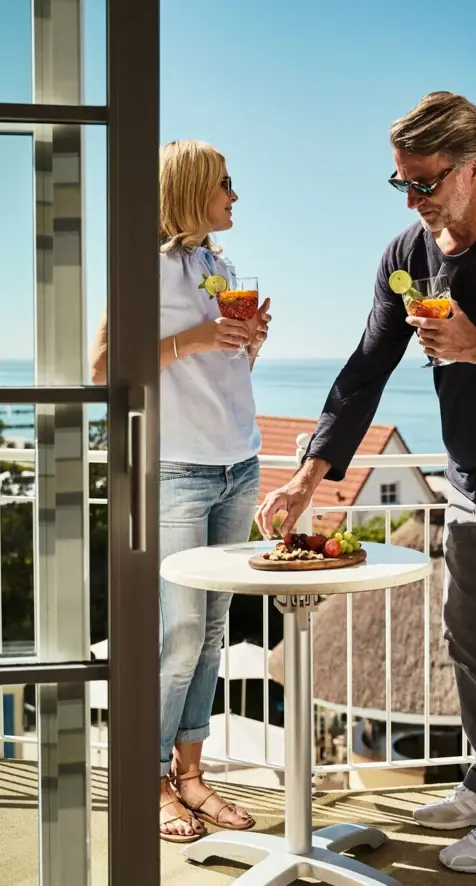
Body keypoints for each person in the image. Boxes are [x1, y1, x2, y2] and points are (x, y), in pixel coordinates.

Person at [256, 92, 476, 875]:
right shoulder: (406, 255)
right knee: (469, 638)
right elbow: (363, 372)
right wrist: (306, 479)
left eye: (426, 183)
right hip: (464, 479)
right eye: (402, 186)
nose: (415, 201)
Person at [91, 139, 271, 842]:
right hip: (177, 469)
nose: (234, 196)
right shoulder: (145, 265)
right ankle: (146, 779)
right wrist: (198, 338)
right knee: (178, 634)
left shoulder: (217, 265)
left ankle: (191, 778)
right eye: (224, 184)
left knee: (212, 634)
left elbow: (225, 367)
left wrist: (250, 340)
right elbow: (105, 363)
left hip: (239, 464)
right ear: (191, 189)